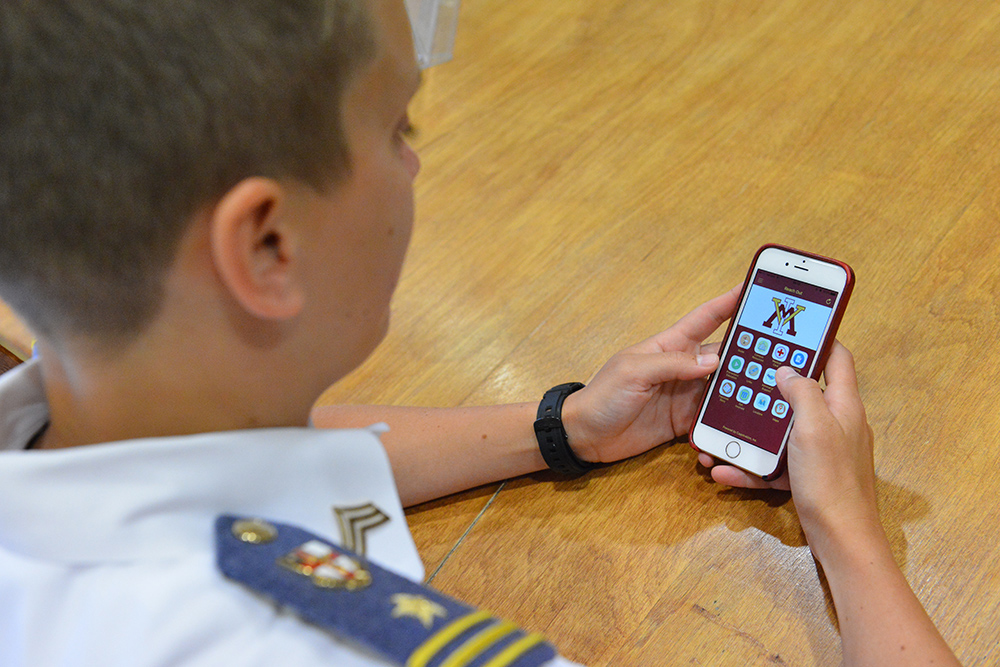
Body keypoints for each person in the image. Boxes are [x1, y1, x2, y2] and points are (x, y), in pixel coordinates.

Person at [0, 1, 960, 665]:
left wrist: (568, 426)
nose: (413, 164)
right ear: (267, 245)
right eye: (396, 125)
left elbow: (238, 457)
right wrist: (853, 530)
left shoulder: (60, 423)